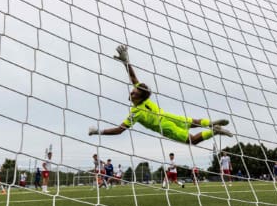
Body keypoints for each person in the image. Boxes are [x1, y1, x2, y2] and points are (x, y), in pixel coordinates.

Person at [88, 45, 232, 144]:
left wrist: (98, 132)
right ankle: (211, 123)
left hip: (165, 126)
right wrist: (126, 62)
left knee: (192, 140)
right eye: (133, 91)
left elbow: (119, 130)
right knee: (193, 122)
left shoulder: (136, 112)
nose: (131, 92)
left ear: (139, 97)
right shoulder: (144, 99)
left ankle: (215, 131)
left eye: (134, 93)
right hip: (168, 116)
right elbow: (133, 78)